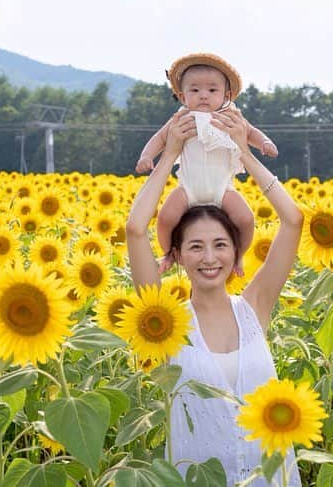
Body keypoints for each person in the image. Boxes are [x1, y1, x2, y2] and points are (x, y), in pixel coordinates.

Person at [126, 106, 304, 486]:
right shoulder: (164, 323)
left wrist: (244, 153)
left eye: (220, 244)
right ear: (177, 255)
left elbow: (293, 220)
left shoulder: (254, 309)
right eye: (195, 247)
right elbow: (135, 229)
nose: (209, 258)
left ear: (235, 252)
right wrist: (170, 153)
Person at [135, 53, 278, 275]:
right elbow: (159, 139)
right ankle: (169, 253)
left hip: (222, 189)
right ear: (182, 96)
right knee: (165, 218)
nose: (203, 96)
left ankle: (238, 256)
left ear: (226, 95)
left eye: (212, 90)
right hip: (188, 188)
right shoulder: (181, 118)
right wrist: (146, 156)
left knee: (246, 219)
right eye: (195, 90)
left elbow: (250, 132)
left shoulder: (230, 116)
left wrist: (265, 143)